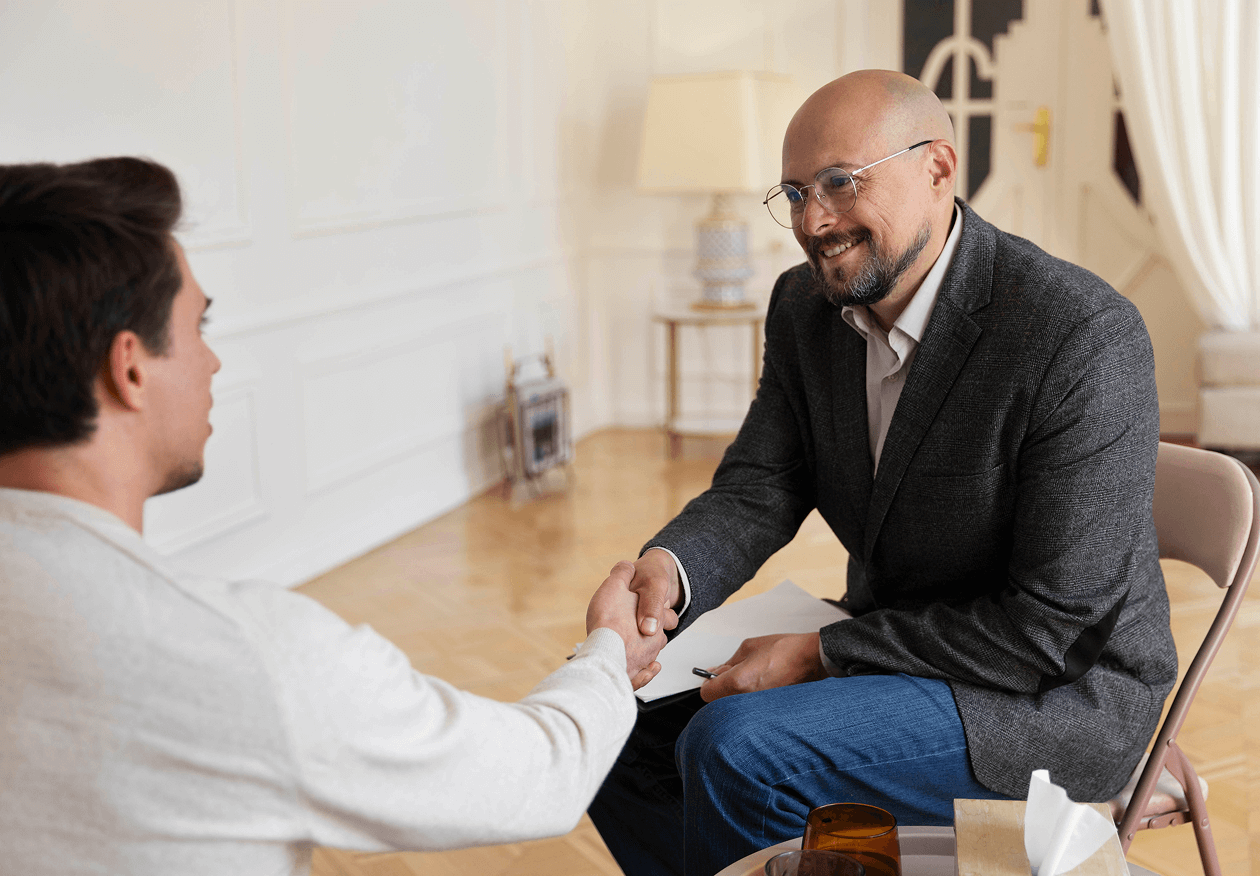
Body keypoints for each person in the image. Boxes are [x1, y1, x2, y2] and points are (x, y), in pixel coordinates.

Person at [0, 156, 666, 875]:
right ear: (128, 368)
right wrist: (608, 651)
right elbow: (540, 773)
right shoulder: (252, 658)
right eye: (200, 325)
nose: (215, 362)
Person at [588, 70, 1178, 876]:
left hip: (1049, 697)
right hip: (895, 644)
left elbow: (1050, 630)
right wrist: (669, 572)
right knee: (598, 723)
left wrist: (821, 654)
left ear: (938, 168)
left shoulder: (1079, 336)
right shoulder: (804, 307)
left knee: (735, 749)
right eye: (794, 191)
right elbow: (762, 482)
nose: (813, 220)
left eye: (840, 183)